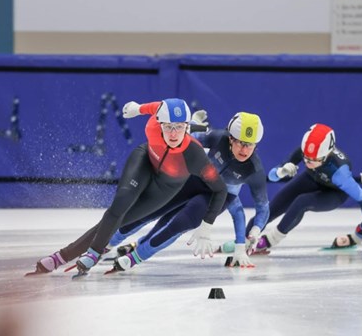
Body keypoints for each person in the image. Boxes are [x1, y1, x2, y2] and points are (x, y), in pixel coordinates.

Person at [28, 98, 227, 276]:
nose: (173, 133)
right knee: (118, 208)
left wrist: (207, 225)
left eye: (179, 127)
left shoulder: (196, 156)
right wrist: (138, 108)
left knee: (122, 221)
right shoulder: (153, 125)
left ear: (185, 126)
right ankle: (86, 254)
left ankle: (66, 255)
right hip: (145, 161)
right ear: (159, 123)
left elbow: (220, 190)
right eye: (167, 127)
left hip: (166, 187)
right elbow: (155, 107)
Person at [107, 110, 269, 272]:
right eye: (240, 143)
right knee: (152, 209)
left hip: (217, 197)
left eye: (250, 145)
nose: (245, 150)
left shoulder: (254, 170)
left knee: (180, 223)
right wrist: (191, 126)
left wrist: (253, 232)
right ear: (230, 138)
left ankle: (135, 257)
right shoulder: (218, 137)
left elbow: (259, 208)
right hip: (197, 179)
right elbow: (186, 140)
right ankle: (107, 243)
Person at [253, 123, 362, 258]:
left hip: (334, 193)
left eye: (314, 160)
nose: (308, 163)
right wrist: (280, 172)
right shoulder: (306, 151)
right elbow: (272, 176)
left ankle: (268, 241)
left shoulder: (339, 172)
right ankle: (247, 236)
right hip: (312, 178)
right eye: (306, 158)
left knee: (302, 202)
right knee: (272, 209)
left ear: (327, 155)